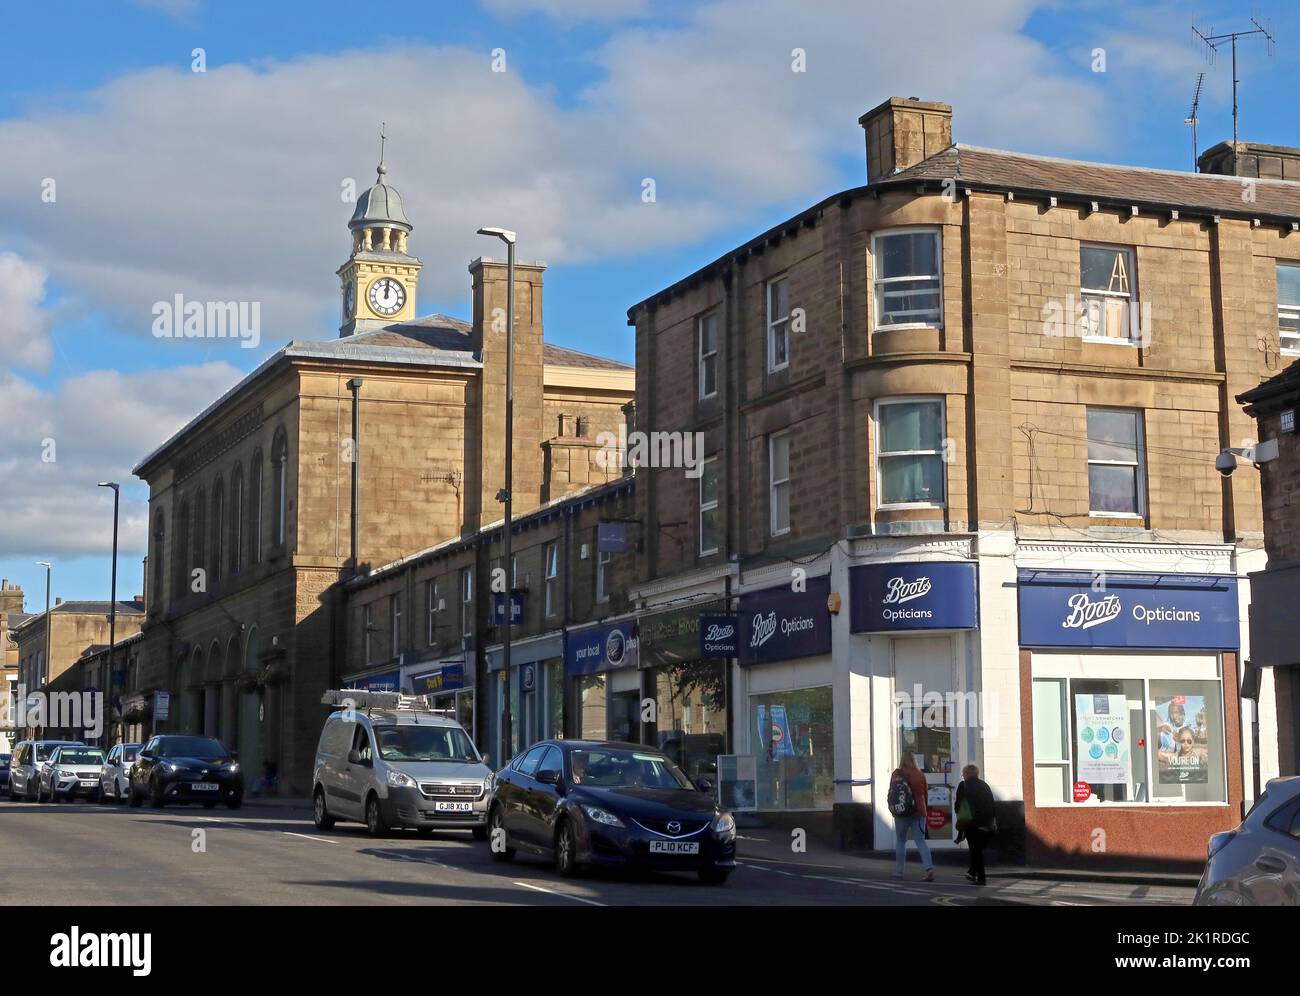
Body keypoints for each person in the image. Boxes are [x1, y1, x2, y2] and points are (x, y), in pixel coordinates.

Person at [889, 751, 934, 881]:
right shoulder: (920, 774)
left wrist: (893, 810)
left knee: (901, 841)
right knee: (920, 841)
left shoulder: (896, 774)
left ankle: (899, 871)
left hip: (901, 812)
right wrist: (924, 810)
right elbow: (925, 794)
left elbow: (892, 793)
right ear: (914, 760)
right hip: (919, 812)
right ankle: (929, 868)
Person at [953, 764, 996, 885]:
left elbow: (958, 805)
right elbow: (991, 805)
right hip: (985, 822)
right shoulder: (985, 786)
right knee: (977, 849)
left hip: (970, 822)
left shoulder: (963, 785)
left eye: (963, 773)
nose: (963, 775)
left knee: (975, 850)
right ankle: (972, 872)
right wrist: (991, 821)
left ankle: (981, 877)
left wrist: (959, 815)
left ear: (967, 774)